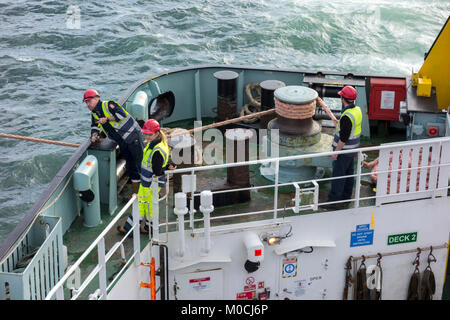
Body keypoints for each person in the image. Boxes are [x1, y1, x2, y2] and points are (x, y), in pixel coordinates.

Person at [83, 88, 144, 194]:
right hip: (122, 141)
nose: (88, 104)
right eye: (86, 102)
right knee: (130, 165)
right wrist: (94, 135)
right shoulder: (94, 113)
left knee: (140, 162)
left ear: (97, 98)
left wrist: (106, 119)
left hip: (133, 136)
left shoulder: (109, 105)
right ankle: (137, 192)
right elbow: (95, 126)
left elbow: (121, 115)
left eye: (89, 101)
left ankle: (149, 187)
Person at [117, 119, 172, 235]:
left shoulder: (157, 149)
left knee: (141, 205)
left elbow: (158, 170)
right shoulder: (158, 144)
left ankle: (130, 229)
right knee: (148, 206)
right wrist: (168, 166)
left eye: (150, 134)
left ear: (157, 133)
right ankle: (147, 228)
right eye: (146, 133)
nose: (147, 136)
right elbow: (160, 164)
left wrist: (166, 168)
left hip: (150, 183)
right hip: (149, 183)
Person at [319, 86, 362, 210]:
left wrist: (336, 153)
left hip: (344, 151)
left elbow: (343, 138)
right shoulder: (357, 110)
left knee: (338, 176)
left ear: (342, 98)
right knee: (349, 175)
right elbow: (354, 129)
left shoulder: (347, 116)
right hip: (353, 149)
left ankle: (332, 202)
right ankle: (346, 197)